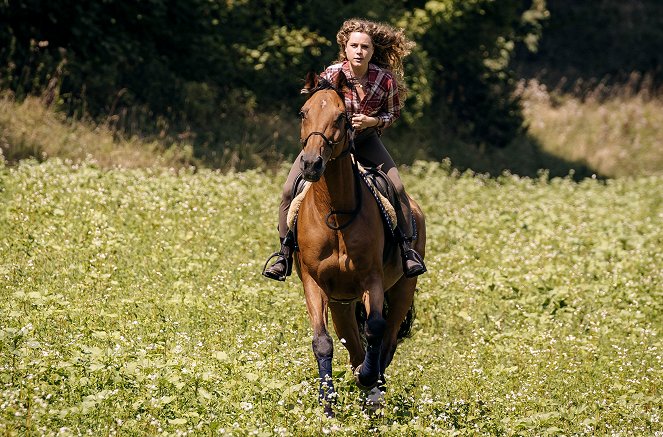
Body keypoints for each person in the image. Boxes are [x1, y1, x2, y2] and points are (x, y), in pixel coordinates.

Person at [263, 18, 426, 281]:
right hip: (329, 144)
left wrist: (373, 121)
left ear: (373, 52)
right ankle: (283, 254)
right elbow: (317, 109)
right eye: (354, 46)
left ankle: (407, 251)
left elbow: (393, 113)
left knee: (396, 187)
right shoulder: (330, 75)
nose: (359, 51)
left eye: (365, 47)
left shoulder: (385, 80)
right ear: (345, 48)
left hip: (366, 140)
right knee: (287, 191)